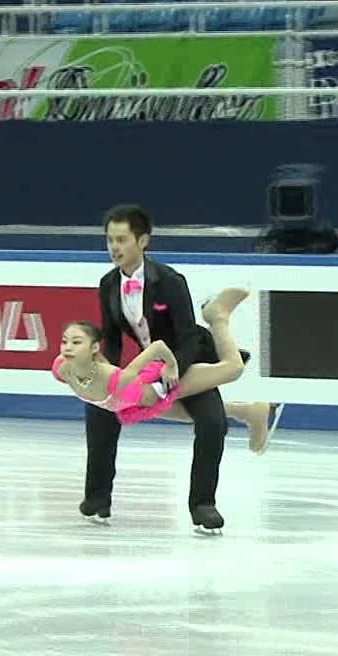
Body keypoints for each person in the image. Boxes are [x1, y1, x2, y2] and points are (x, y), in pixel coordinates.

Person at [78, 204, 278, 534]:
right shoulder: (108, 283)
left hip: (187, 358)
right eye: (110, 240)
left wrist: (169, 373)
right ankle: (98, 498)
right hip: (150, 361)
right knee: (100, 409)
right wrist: (109, 377)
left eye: (122, 240)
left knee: (211, 421)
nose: (114, 247)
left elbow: (186, 338)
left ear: (143, 241)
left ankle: (203, 504)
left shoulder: (169, 281)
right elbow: (112, 338)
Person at [52, 289, 282, 452]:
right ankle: (250, 412)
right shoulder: (62, 368)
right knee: (189, 416)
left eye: (76, 343)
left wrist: (172, 366)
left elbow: (158, 347)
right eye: (65, 342)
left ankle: (217, 315)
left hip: (160, 384)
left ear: (93, 348)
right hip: (139, 403)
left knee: (232, 369)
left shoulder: (116, 378)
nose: (68, 347)